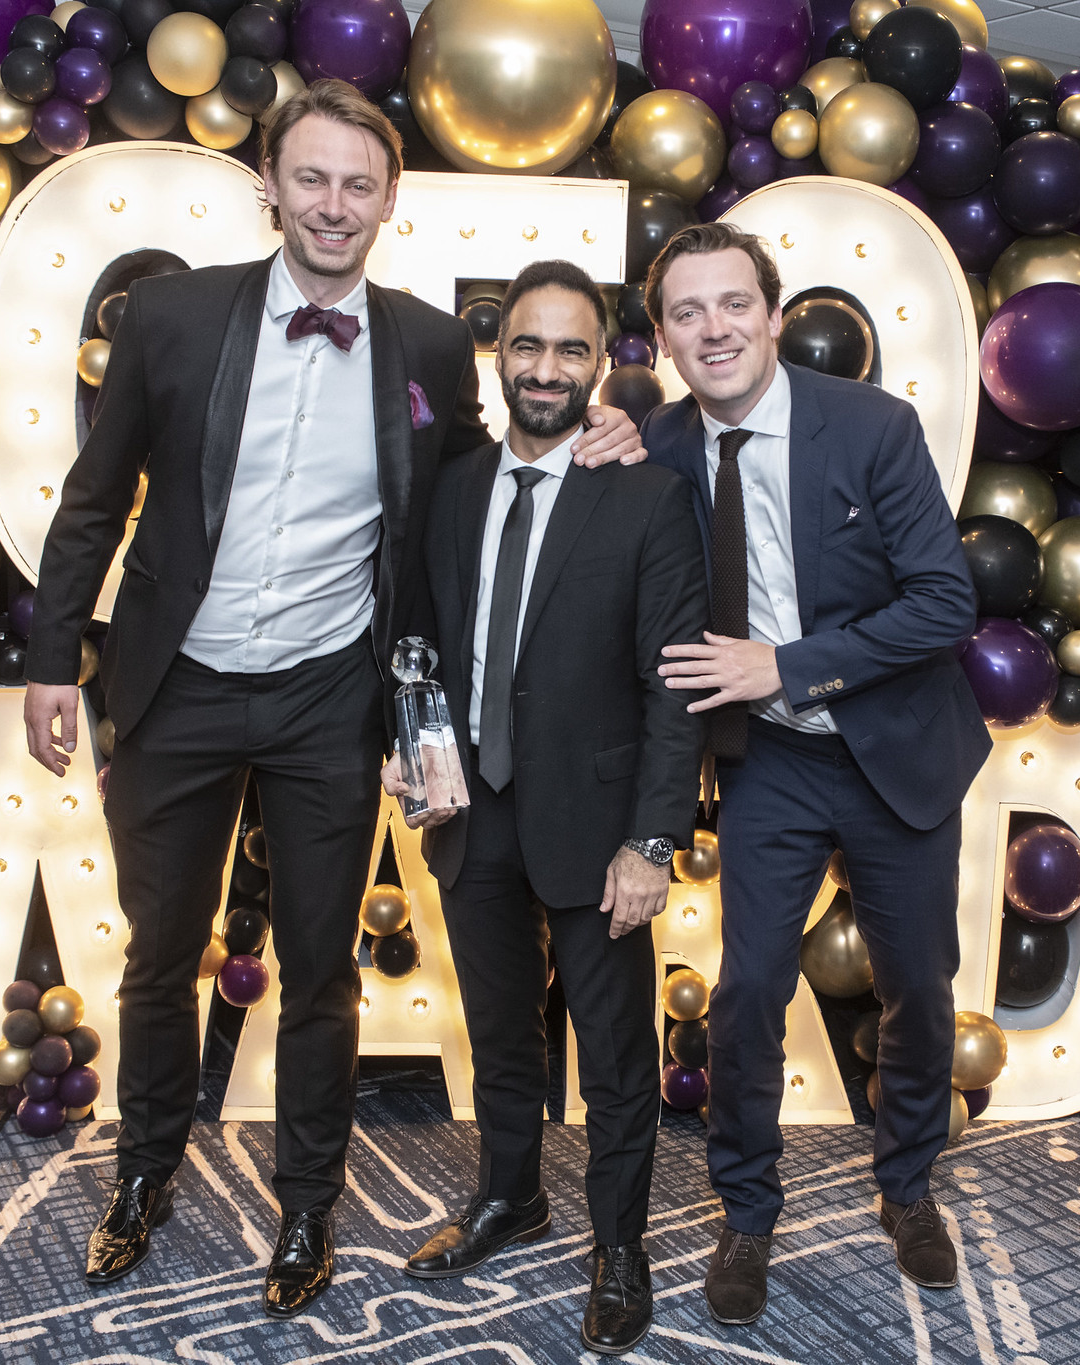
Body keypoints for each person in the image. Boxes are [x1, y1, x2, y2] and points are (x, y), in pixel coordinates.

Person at [21, 79, 644, 1308]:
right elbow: (93, 500)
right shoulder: (171, 318)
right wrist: (51, 658)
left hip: (328, 695)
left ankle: (306, 1204)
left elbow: (477, 474)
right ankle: (144, 1170)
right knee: (158, 953)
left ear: (390, 202)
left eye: (359, 184)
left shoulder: (417, 340)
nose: (332, 204)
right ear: (269, 184)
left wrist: (603, 429)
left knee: (319, 968)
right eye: (311, 177)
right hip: (177, 682)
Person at [640, 222, 989, 1324]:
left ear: (774, 316)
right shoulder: (653, 447)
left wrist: (784, 664)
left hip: (894, 747)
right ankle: (744, 1212)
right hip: (771, 763)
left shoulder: (872, 428)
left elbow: (943, 602)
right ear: (660, 338)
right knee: (744, 994)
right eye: (687, 313)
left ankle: (907, 1186)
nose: (713, 329)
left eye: (732, 304)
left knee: (918, 991)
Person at [380, 259, 705, 1356]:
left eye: (573, 349)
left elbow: (672, 682)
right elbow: (420, 638)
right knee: (498, 1037)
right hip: (472, 810)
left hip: (600, 822)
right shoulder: (456, 482)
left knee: (615, 1059)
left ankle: (619, 1245)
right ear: (499, 353)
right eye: (528, 345)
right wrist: (412, 749)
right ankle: (509, 1198)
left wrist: (653, 839)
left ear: (602, 364)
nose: (547, 368)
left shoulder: (647, 495)